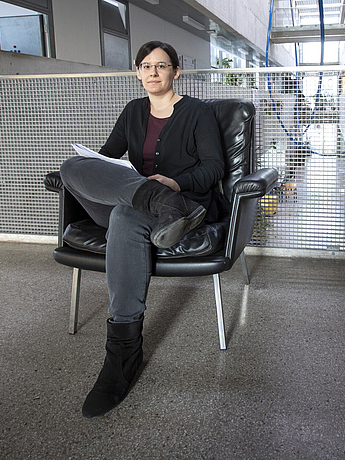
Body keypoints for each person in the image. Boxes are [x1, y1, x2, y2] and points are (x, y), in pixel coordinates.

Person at [59, 41, 224, 418]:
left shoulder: (198, 112)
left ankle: (122, 356)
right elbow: (106, 156)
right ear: (137, 73)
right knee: (73, 167)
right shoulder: (133, 111)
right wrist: (93, 172)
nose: (153, 72)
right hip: (144, 199)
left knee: (124, 217)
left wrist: (175, 184)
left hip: (186, 202)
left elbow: (214, 168)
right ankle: (156, 201)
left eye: (161, 65)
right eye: (146, 66)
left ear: (175, 72)